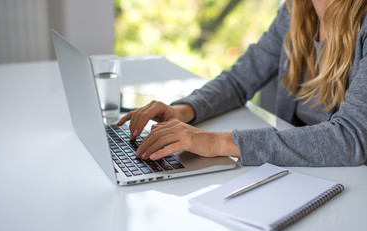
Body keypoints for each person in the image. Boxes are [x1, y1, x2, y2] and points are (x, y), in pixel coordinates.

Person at [117, 0, 367, 166]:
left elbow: (351, 137)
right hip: (302, 170)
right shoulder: (296, 9)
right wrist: (183, 110)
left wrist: (218, 142)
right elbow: (239, 79)